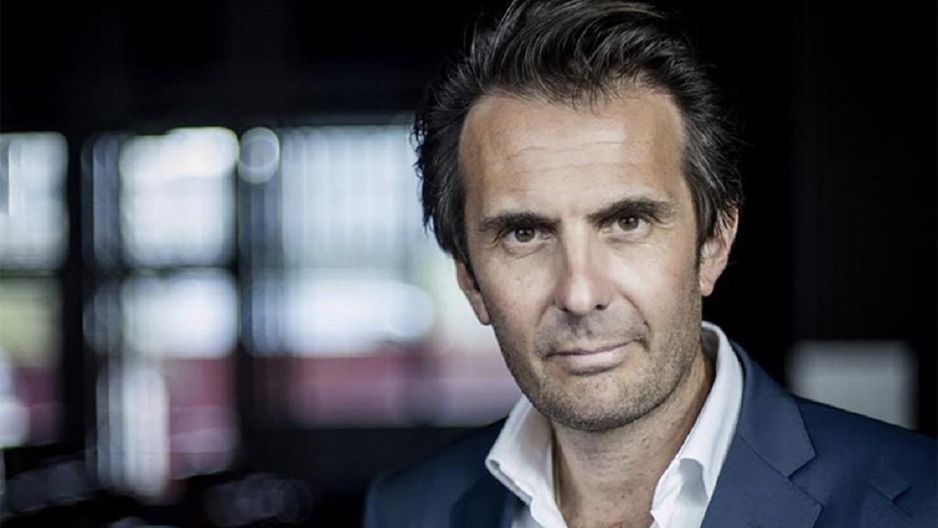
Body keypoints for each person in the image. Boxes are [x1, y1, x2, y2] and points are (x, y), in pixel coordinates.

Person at [363, 1, 937, 526]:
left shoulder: (918, 502)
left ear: (713, 242)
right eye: (524, 233)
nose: (580, 294)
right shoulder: (406, 511)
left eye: (628, 222)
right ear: (469, 277)